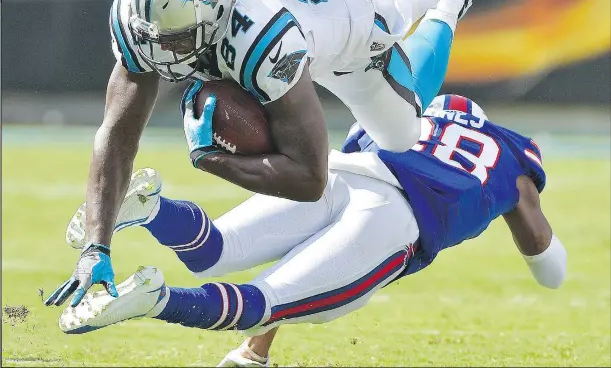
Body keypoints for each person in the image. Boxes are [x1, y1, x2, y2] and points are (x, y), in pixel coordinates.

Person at [43, 0, 474, 312]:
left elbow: (310, 179)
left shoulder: (264, 38)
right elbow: (116, 134)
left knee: (401, 131)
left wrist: (214, 159)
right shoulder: (148, 14)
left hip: (353, 25)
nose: (162, 56)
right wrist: (96, 248)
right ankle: (414, 2)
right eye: (153, 38)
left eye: (176, 42)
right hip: (294, 9)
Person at [45, 95, 566, 368]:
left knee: (216, 251)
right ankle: (155, 301)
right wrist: (525, 206)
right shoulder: (512, 161)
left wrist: (256, 353)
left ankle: (154, 211)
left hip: (343, 173)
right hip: (396, 217)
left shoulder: (419, 110)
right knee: (264, 299)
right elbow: (548, 268)